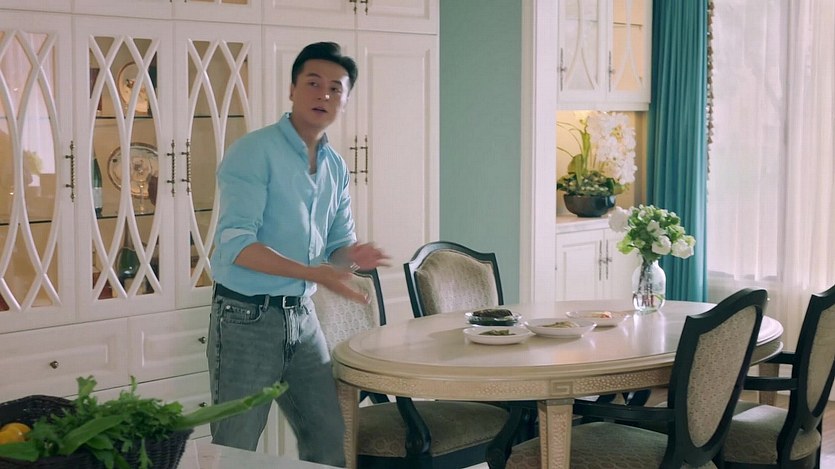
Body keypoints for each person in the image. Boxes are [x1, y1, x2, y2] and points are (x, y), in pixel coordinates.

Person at [207, 42, 389, 466]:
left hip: (302, 318)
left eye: (336, 88)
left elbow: (336, 249)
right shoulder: (254, 151)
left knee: (328, 437)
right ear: (292, 89)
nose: (324, 94)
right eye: (313, 83)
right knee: (235, 447)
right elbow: (236, 246)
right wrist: (315, 273)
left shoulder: (335, 166)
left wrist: (352, 256)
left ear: (345, 100)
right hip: (245, 317)